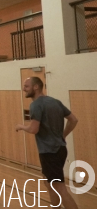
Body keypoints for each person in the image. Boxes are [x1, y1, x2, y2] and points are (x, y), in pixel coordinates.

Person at [16, 77, 79, 209]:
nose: (24, 89)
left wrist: (22, 127)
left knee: (59, 187)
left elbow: (33, 129)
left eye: (26, 86)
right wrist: (63, 135)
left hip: (50, 152)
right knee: (47, 180)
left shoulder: (36, 105)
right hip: (60, 149)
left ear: (36, 87)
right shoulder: (55, 102)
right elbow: (73, 120)